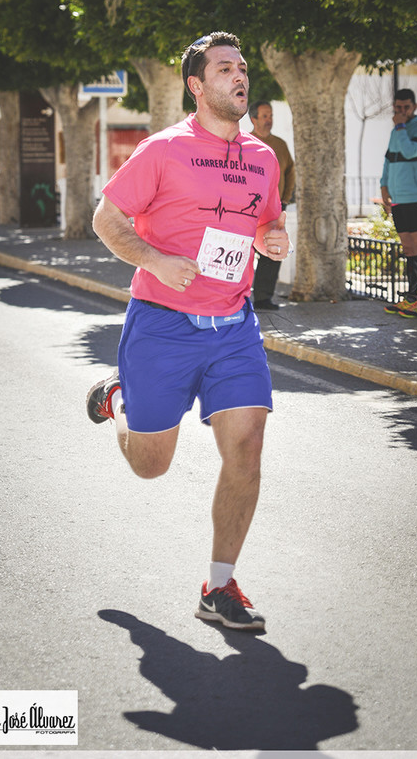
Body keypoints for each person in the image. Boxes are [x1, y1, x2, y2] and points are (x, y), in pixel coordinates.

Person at [86, 31, 289, 631]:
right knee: (151, 465)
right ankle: (117, 398)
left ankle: (219, 588)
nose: (239, 75)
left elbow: (266, 222)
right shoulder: (163, 150)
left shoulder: (263, 157)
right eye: (225, 67)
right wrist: (153, 260)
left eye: (243, 66)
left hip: (233, 326)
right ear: (197, 86)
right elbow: (107, 219)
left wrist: (270, 239)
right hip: (162, 326)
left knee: (248, 446)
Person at [380, 88, 417, 318]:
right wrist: (384, 185)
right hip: (399, 198)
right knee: (408, 248)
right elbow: (389, 159)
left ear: (414, 107)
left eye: (406, 107)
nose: (401, 111)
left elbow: (410, 151)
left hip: (416, 197)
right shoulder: (397, 131)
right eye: (398, 107)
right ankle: (411, 298)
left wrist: (401, 126)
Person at [248, 100, 295, 310]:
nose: (269, 120)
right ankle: (240, 295)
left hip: (275, 208)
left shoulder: (280, 145)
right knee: (245, 250)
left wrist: (285, 198)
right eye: (265, 116)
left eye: (271, 116)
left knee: (272, 251)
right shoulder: (245, 143)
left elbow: (290, 172)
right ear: (253, 119)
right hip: (249, 208)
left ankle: (263, 298)